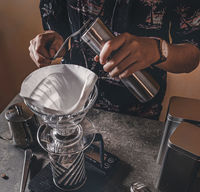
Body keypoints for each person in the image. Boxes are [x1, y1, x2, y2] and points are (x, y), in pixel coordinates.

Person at [29, 0, 200, 120]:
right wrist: (53, 41)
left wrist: (158, 50)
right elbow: (59, 27)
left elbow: (192, 55)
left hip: (137, 114)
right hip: (71, 103)